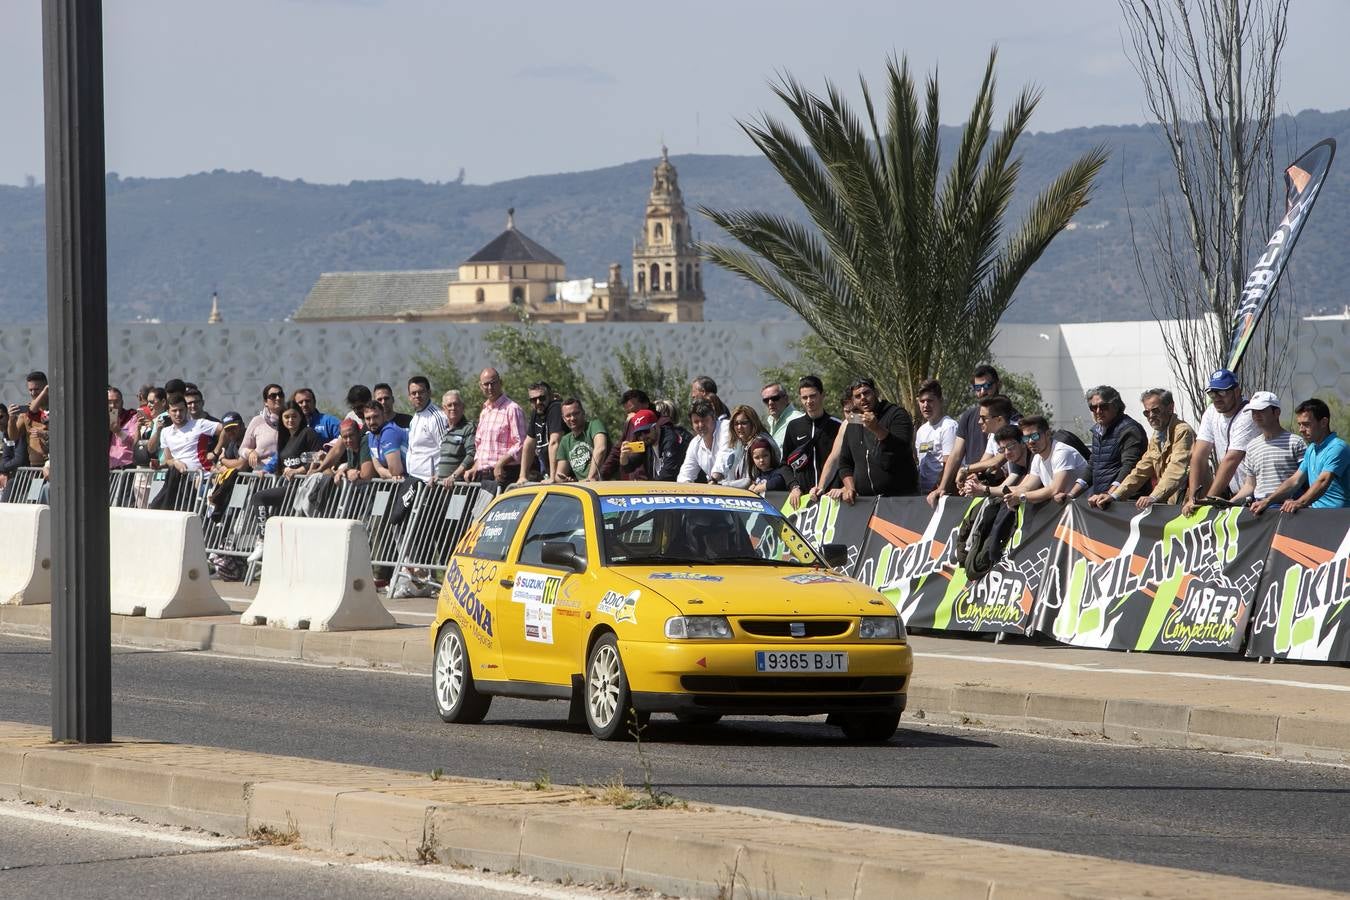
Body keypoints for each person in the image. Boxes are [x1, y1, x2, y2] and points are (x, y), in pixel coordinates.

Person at [1091, 389, 1195, 510]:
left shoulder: (1182, 431)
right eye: (1146, 413)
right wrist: (1114, 496)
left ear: (1170, 408)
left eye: (1155, 410)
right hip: (1173, 505)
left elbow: (1176, 469)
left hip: (1190, 506)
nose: (1151, 416)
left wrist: (1153, 497)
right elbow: (1141, 470)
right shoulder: (1157, 437)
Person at [1252, 398, 1350, 514]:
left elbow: (1323, 481)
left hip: (1340, 519)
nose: (1301, 430)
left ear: (1324, 422)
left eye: (1306, 424)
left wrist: (1299, 502)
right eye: (1299, 424)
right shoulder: (1311, 449)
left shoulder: (1338, 448)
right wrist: (1267, 501)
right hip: (1317, 515)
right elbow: (1295, 481)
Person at [1184, 368, 1260, 515]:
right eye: (1212, 393)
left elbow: (1232, 459)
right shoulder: (1212, 411)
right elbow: (1198, 456)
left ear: (1237, 391)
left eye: (1223, 392)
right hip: (1234, 493)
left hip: (1257, 495)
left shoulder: (1248, 414)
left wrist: (1208, 500)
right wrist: (1193, 498)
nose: (1217, 398)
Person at [929, 364, 1008, 504]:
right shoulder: (968, 416)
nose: (983, 391)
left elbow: (999, 461)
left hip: (1003, 493)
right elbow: (956, 454)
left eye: (987, 386)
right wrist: (943, 487)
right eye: (977, 388)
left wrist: (967, 470)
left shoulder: (1011, 419)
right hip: (977, 488)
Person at [836, 378, 918, 501]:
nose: (863, 398)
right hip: (865, 503)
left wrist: (876, 428)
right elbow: (845, 463)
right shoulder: (853, 423)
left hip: (900, 500)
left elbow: (901, 450)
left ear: (876, 393)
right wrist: (850, 488)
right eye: (858, 396)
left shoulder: (896, 415)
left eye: (866, 393)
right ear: (853, 401)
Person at [1066, 385, 1146, 503]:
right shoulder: (1098, 431)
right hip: (1102, 500)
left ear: (1115, 406)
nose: (1098, 411)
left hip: (1126, 501)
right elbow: (1093, 465)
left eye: (1103, 406)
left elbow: (1130, 467)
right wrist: (1071, 495)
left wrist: (1110, 494)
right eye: (1093, 407)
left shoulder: (1130, 430)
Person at [1230, 392, 1305, 506]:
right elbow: (1250, 485)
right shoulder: (1252, 446)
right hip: (1260, 509)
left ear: (1277, 413)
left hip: (1287, 509)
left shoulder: (1296, 442)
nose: (1256, 415)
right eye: (1253, 412)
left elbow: (1305, 479)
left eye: (1261, 410)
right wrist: (1229, 502)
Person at [1003, 416, 1088, 508]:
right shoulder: (1037, 458)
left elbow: (1055, 490)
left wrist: (1022, 497)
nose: (1031, 441)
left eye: (1035, 436)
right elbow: (1028, 487)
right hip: (1067, 509)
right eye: (1026, 438)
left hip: (1085, 509)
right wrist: (1011, 495)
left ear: (1047, 434)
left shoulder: (1062, 452)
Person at [782, 376, 841, 503]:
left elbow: (847, 462)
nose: (809, 401)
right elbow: (784, 464)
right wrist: (794, 487)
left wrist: (842, 488)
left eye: (813, 396)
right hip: (803, 500)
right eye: (804, 397)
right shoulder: (793, 426)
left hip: (832, 498)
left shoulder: (838, 426)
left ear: (822, 395)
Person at [471, 367, 524, 486]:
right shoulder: (485, 411)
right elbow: (479, 445)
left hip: (504, 474)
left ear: (501, 383)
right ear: (480, 386)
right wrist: (475, 467)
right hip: (483, 475)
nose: (490, 388)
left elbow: (520, 443)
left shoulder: (512, 409)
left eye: (493, 383)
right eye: (486, 384)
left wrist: (500, 463)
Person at [713, 405, 774, 489]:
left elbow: (749, 481)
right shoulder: (747, 443)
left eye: (744, 423)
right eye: (736, 423)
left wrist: (721, 485)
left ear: (753, 423)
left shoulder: (759, 443)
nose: (739, 427)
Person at [915, 379, 957, 495]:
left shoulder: (949, 426)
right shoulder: (921, 431)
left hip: (942, 492)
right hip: (923, 493)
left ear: (941, 400)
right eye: (922, 401)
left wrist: (938, 489)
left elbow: (949, 464)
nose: (925, 405)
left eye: (930, 400)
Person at [160, 394, 222, 473]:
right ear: (168, 412)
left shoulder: (199, 424)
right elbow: (168, 460)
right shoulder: (165, 432)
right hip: (181, 480)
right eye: (174, 411)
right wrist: (175, 462)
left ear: (186, 410)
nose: (178, 414)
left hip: (202, 479)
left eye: (181, 410)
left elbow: (225, 429)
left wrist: (216, 452)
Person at [517, 381, 565, 483]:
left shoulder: (555, 407)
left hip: (564, 474)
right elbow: (528, 444)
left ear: (551, 396)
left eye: (542, 398)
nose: (538, 402)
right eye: (533, 400)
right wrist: (522, 476)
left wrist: (553, 477)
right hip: (548, 472)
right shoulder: (536, 412)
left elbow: (555, 442)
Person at [405, 375, 448, 483]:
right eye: (413, 393)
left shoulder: (437, 417)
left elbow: (447, 450)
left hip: (431, 484)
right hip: (414, 480)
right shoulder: (415, 418)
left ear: (429, 393)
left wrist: (439, 475)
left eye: (421, 392)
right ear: (409, 397)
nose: (417, 396)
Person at [556, 398, 608, 482]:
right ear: (563, 419)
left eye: (576, 413)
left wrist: (590, 478)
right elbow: (559, 474)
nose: (572, 418)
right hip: (583, 489)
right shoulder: (565, 441)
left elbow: (600, 449)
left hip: (606, 485)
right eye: (568, 416)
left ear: (583, 413)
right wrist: (566, 480)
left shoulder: (594, 425)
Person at [8, 370, 50, 470]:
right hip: (35, 467)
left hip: (55, 463)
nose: (33, 393)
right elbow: (13, 436)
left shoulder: (57, 407)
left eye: (36, 389)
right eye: (30, 390)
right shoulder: (26, 412)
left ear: (46, 388)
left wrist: (44, 433)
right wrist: (11, 418)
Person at [677, 400, 725, 483]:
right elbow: (685, 474)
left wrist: (714, 479)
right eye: (696, 422)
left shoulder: (726, 428)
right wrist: (686, 485)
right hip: (717, 492)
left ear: (713, 417)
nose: (700, 425)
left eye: (705, 420)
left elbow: (725, 455)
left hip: (743, 491)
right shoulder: (695, 444)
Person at [241, 383, 285, 473]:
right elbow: (242, 449)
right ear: (265, 402)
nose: (278, 398)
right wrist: (250, 452)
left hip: (284, 474)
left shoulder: (290, 421)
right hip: (261, 476)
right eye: (273, 396)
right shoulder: (257, 421)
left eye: (280, 395)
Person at [435, 390, 476, 485]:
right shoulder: (446, 430)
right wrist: (437, 476)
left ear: (462, 407)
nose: (453, 408)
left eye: (456, 404)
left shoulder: (469, 428)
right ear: (443, 409)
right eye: (449, 405)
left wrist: (454, 476)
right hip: (443, 486)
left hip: (459, 486)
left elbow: (472, 454)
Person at [363, 401, 408, 479]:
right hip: (407, 479)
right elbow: (379, 469)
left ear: (383, 415)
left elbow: (396, 471)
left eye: (376, 416)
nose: (372, 422)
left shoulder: (389, 432)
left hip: (421, 480)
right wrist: (392, 475)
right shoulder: (371, 436)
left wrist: (393, 474)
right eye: (368, 418)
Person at [761, 381, 803, 449]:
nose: (770, 403)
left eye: (775, 398)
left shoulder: (798, 419)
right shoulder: (771, 420)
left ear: (786, 398)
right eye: (766, 400)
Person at [107, 386, 139, 469]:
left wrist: (119, 432)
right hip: (110, 467)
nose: (113, 405)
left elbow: (135, 441)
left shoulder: (132, 417)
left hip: (127, 466)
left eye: (116, 402)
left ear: (122, 402)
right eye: (109, 402)